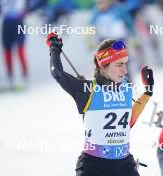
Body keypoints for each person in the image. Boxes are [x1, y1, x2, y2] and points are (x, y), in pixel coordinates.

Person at [46, 32, 154, 176]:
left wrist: (147, 93)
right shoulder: (87, 90)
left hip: (124, 165)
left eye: (125, 63)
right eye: (119, 64)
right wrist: (54, 48)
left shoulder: (126, 87)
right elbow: (58, 73)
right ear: (103, 66)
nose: (125, 70)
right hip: (94, 167)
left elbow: (127, 123)